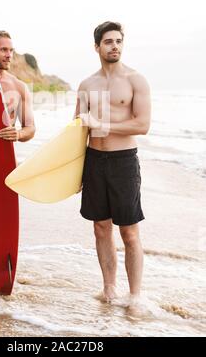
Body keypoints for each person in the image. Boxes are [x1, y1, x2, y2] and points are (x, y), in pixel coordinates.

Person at [74, 21, 151, 305]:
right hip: (94, 161)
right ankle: (109, 289)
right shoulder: (87, 84)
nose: (114, 46)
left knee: (129, 232)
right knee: (100, 228)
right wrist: (75, 171)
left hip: (123, 163)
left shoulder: (135, 80)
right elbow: (77, 130)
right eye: (108, 42)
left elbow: (142, 124)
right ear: (97, 47)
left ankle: (135, 297)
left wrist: (101, 123)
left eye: (118, 41)